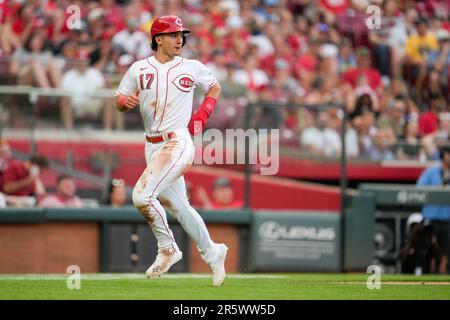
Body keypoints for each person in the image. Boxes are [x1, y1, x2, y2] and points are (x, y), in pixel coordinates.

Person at [114, 15, 228, 286]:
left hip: (177, 141)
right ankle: (214, 253)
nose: (180, 39)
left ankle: (168, 248)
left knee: (141, 196)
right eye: (173, 34)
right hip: (151, 145)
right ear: (157, 39)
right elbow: (119, 98)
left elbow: (214, 87)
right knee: (180, 207)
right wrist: (123, 102)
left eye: (181, 35)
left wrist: (203, 112)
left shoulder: (191, 66)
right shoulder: (138, 69)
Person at [417, 145, 450, 274]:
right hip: (431, 219)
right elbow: (419, 188)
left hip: (447, 220)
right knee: (429, 252)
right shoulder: (431, 172)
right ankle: (427, 278)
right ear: (444, 156)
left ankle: (442, 280)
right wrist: (439, 188)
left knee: (445, 253)